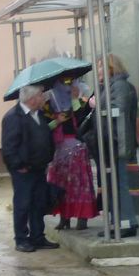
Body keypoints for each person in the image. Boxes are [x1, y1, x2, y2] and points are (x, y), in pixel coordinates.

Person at [1, 83, 59, 253]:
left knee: (38, 204)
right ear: (32, 98)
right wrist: (18, 165)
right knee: (23, 204)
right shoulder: (13, 116)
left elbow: (45, 137)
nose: (44, 98)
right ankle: (21, 239)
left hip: (39, 167)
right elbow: (9, 146)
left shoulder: (38, 114)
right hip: (23, 170)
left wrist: (48, 157)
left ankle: (38, 237)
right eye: (41, 94)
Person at [90, 54, 139, 237]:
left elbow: (118, 109)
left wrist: (97, 104)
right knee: (112, 185)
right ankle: (117, 222)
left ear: (111, 67)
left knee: (120, 184)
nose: (98, 70)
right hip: (109, 142)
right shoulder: (109, 85)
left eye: (100, 66)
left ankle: (127, 223)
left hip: (117, 142)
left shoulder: (119, 85)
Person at [44, 78, 98, 230]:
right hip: (59, 150)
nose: (66, 87)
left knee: (79, 183)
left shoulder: (79, 100)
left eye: (69, 83)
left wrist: (75, 100)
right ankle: (64, 217)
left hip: (77, 148)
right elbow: (44, 127)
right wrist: (57, 121)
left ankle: (82, 217)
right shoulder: (48, 104)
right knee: (61, 184)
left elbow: (83, 118)